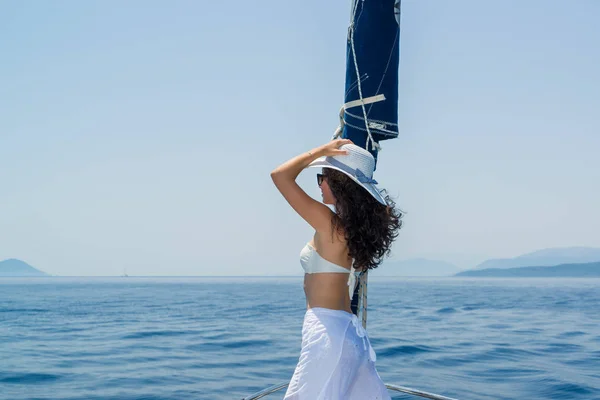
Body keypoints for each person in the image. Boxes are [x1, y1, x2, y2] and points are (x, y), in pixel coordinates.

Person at [270, 139, 402, 399]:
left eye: (323, 177)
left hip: (328, 334)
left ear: (340, 184)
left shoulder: (330, 224)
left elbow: (280, 176)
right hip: (349, 336)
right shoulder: (352, 230)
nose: (319, 184)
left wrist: (319, 151)